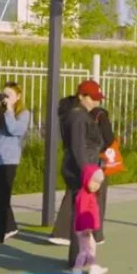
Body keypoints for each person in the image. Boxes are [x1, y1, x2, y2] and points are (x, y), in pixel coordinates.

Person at [49, 102, 115, 246]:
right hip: (94, 162)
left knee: (73, 196)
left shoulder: (72, 116)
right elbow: (109, 138)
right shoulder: (98, 115)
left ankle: (63, 233)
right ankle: (95, 234)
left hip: (75, 161)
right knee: (96, 197)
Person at [61, 80, 107, 271]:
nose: (96, 102)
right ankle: (79, 260)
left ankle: (81, 259)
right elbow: (78, 147)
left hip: (83, 168)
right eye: (92, 98)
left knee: (83, 216)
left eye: (98, 98)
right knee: (82, 216)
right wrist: (88, 175)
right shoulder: (79, 117)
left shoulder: (80, 115)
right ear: (81, 96)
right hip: (81, 171)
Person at [0, 82, 30, 247]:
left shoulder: (23, 113)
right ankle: (9, 227)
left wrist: (9, 110)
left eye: (9, 95)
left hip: (8, 159)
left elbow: (15, 130)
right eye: (4, 94)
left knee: (1, 198)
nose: (5, 98)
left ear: (18, 97)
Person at [72, 164, 108, 274]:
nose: (96, 186)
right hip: (84, 228)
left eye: (98, 183)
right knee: (84, 251)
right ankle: (77, 270)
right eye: (94, 182)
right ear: (87, 179)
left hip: (85, 228)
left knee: (91, 248)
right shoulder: (83, 195)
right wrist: (86, 228)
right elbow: (82, 212)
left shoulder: (89, 194)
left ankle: (92, 267)